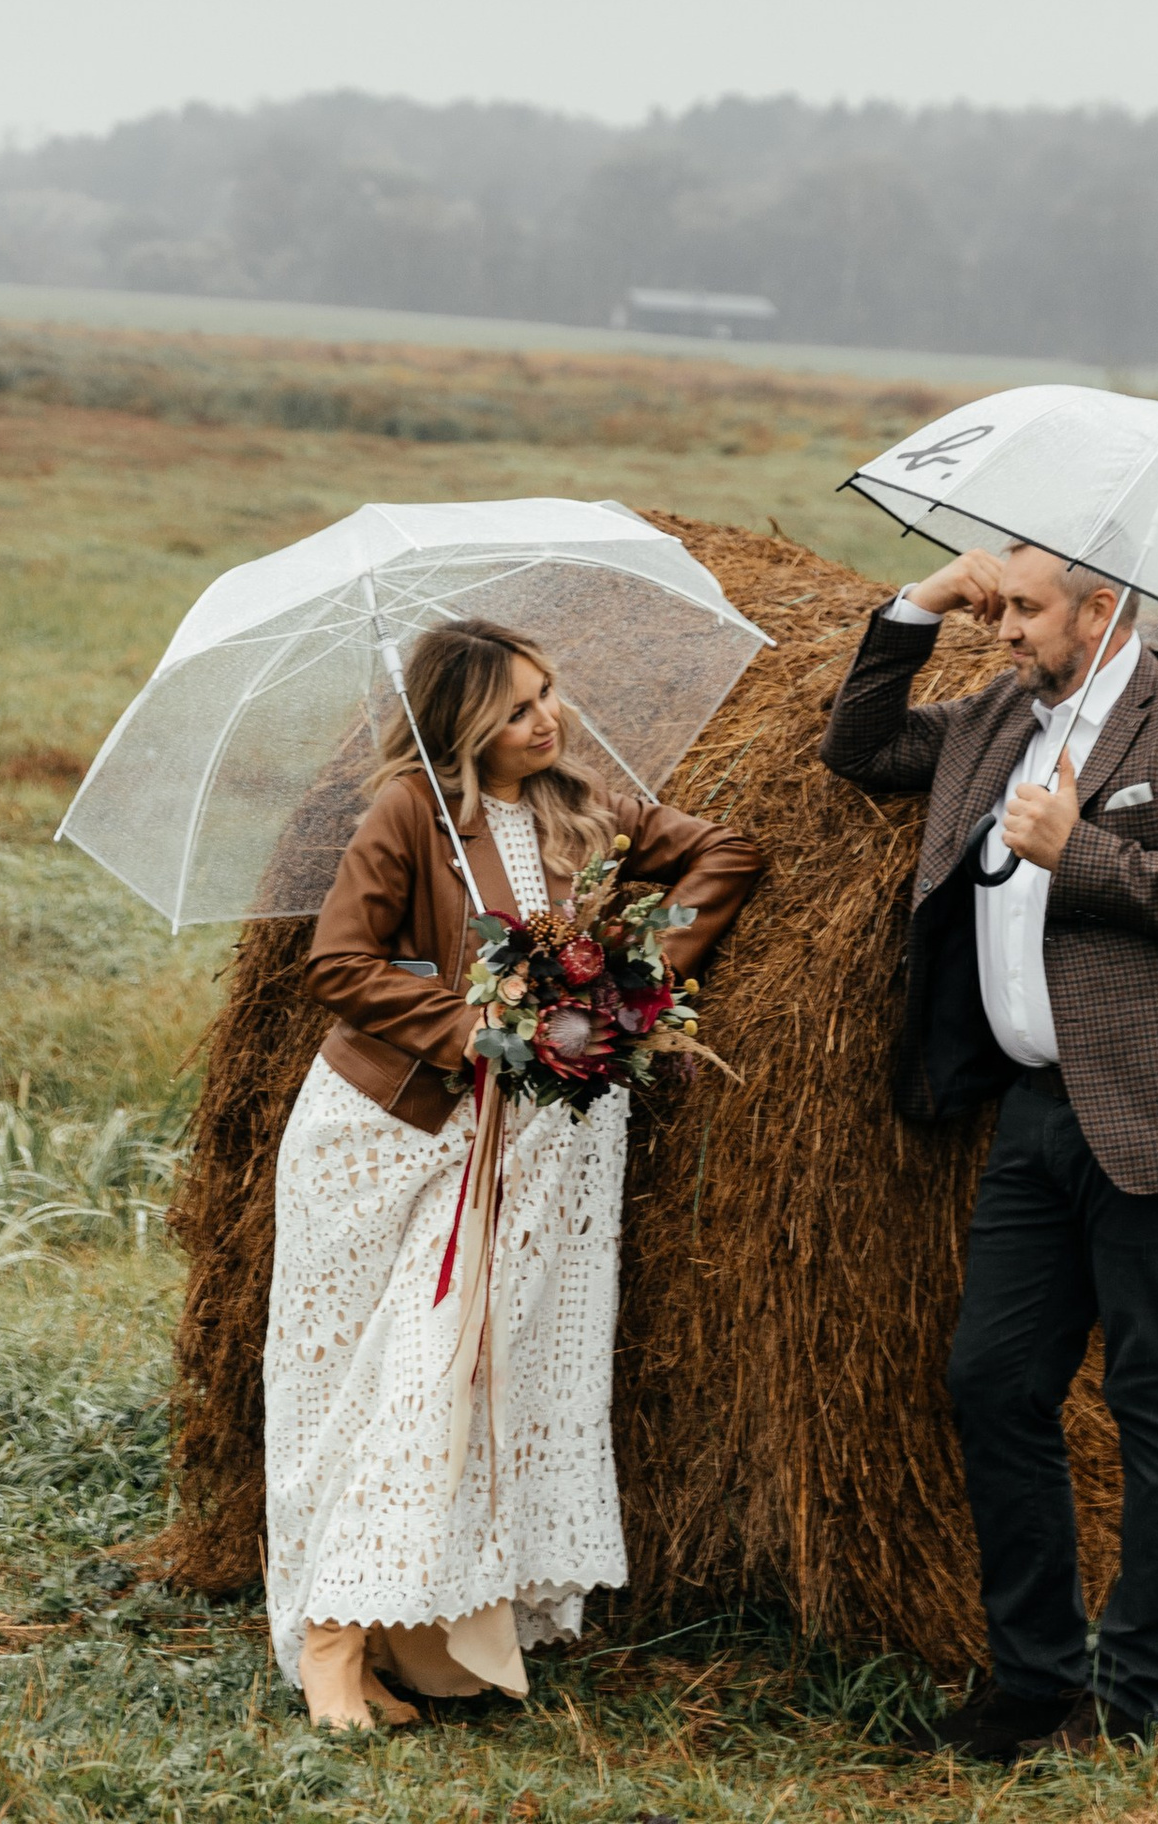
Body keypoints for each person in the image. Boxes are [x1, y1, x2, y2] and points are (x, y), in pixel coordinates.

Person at [822, 537, 1158, 1762]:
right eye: (1003, 604)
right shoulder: (994, 716)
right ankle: (1030, 1680)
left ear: (1102, 608)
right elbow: (859, 749)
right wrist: (917, 602)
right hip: (1033, 1113)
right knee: (992, 1383)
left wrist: (1077, 855)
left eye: (1027, 610)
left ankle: (1123, 1701)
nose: (1007, 627)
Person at [263, 616, 762, 1732]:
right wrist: (484, 1022)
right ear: (463, 724)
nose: (550, 719)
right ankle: (335, 1638)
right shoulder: (409, 811)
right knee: (389, 1379)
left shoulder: (578, 802)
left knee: (465, 1380)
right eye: (521, 708)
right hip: (396, 1130)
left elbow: (725, 854)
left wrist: (630, 983)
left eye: (549, 694)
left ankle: (422, 1633)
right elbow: (339, 963)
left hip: (530, 1142)